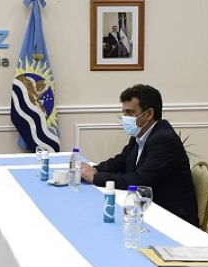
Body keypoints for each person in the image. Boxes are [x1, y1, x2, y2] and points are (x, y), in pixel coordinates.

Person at [80, 84, 199, 226]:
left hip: (171, 219)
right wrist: (94, 168)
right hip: (145, 208)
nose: (125, 118)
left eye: (130, 113)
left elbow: (139, 180)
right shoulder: (141, 132)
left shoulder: (164, 139)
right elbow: (121, 161)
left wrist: (96, 177)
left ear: (148, 114)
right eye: (124, 113)